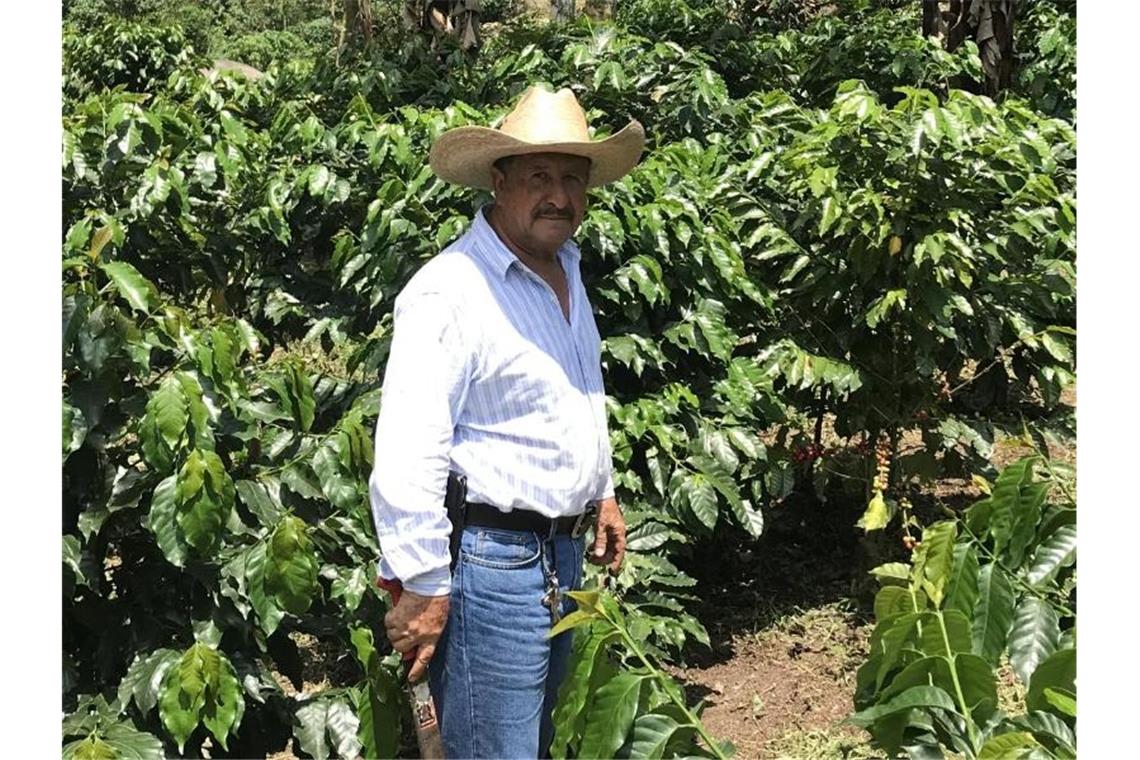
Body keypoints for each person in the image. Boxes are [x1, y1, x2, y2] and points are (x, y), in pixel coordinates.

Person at [368, 84, 645, 758]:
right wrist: (427, 585)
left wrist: (599, 490)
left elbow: (575, 390)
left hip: (563, 557)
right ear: (498, 182)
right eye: (539, 177)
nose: (560, 196)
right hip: (493, 566)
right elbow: (410, 451)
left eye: (573, 179)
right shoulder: (448, 292)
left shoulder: (566, 268)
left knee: (537, 740)